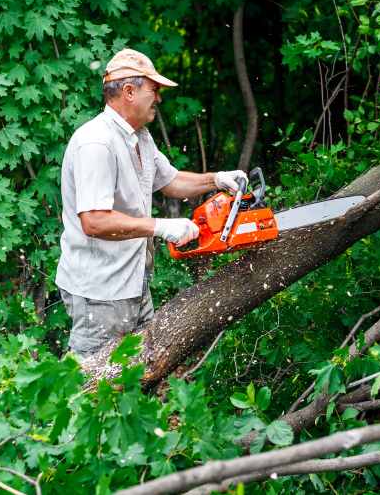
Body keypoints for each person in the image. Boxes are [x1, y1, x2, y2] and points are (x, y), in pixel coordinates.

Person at [56, 48, 247, 359]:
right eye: (154, 90)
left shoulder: (140, 136)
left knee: (136, 372)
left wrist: (218, 180)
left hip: (132, 281)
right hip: (100, 291)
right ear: (129, 91)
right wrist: (162, 227)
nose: (159, 99)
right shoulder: (97, 143)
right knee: (92, 383)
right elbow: (94, 221)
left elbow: (170, 181)